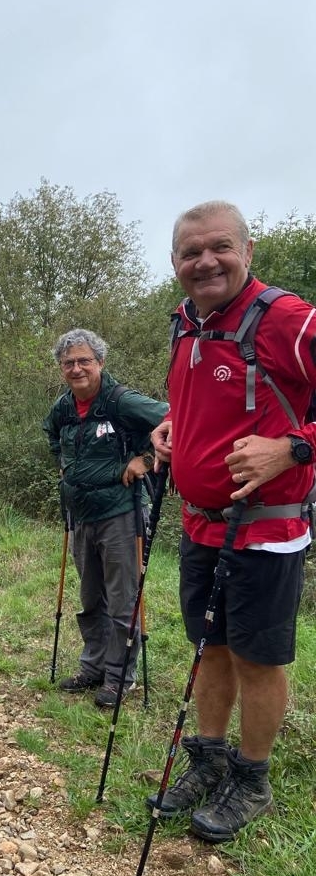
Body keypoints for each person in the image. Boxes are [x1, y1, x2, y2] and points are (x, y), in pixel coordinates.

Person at [150, 200, 316, 842]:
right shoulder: (185, 321)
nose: (205, 261)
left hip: (266, 529)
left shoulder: (286, 320)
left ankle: (252, 778)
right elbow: (201, 398)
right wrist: (173, 428)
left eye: (219, 246)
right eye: (190, 252)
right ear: (174, 262)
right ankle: (211, 758)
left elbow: (289, 426)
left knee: (256, 659)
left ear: (248, 251)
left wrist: (293, 448)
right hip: (200, 525)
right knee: (210, 647)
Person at [43, 329, 168, 708]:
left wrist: (146, 459)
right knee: (90, 599)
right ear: (61, 368)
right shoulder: (63, 408)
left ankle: (118, 678)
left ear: (100, 362)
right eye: (68, 363)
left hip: (121, 513)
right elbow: (52, 435)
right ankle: (93, 667)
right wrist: (65, 465)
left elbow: (173, 421)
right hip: (80, 514)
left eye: (84, 360)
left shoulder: (121, 401)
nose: (76, 369)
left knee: (122, 601)